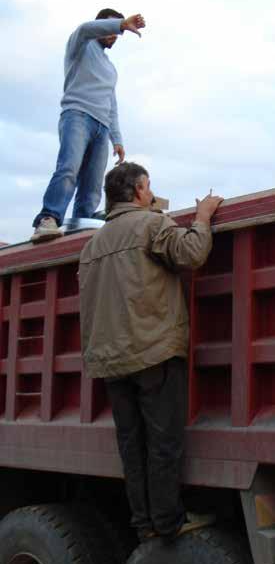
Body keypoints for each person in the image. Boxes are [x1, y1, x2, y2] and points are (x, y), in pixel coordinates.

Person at [79, 162, 223, 542]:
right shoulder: (151, 224)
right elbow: (192, 254)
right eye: (149, 187)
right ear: (140, 191)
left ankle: (144, 523)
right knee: (163, 443)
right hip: (153, 351)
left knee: (132, 445)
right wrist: (203, 216)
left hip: (111, 360)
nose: (151, 192)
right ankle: (169, 521)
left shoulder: (92, 245)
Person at [31, 9, 146, 243]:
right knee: (69, 169)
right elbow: (86, 28)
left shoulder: (110, 68)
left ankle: (80, 225)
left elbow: (111, 103)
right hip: (77, 115)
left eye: (116, 31)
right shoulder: (81, 44)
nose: (114, 34)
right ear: (101, 25)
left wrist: (117, 139)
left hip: (102, 126)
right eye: (110, 27)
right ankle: (48, 218)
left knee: (92, 184)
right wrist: (121, 24)